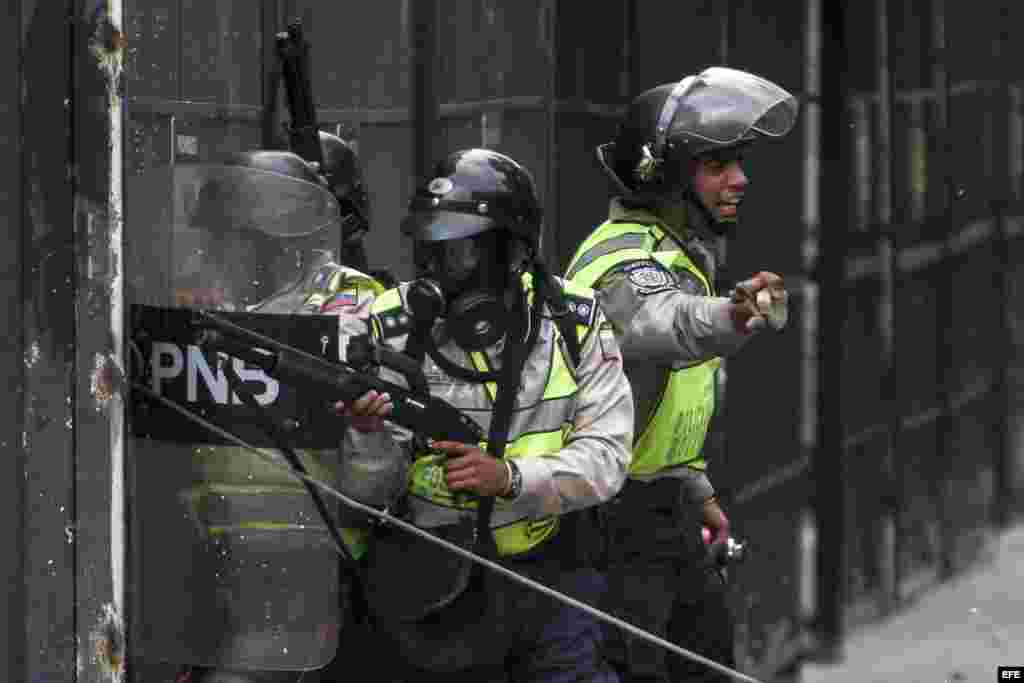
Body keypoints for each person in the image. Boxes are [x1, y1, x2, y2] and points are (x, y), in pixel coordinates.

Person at [336, 148, 634, 682]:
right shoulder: (385, 327)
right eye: (429, 251)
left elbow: (609, 458)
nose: (437, 270)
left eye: (459, 253)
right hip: (432, 591)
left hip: (552, 578)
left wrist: (511, 478)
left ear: (513, 251)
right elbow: (364, 499)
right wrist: (367, 434)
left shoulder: (576, 321)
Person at [563, 66, 798, 683]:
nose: (740, 179)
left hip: (663, 515)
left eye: (740, 162)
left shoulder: (674, 253)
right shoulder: (621, 256)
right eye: (718, 165)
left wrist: (694, 488)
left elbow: (659, 398)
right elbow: (662, 325)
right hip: (614, 529)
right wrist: (736, 312)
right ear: (663, 174)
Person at [130, 141, 390, 683]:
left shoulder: (349, 307)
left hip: (310, 560)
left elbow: (375, 488)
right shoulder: (198, 302)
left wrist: (368, 430)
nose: (217, 251)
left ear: (278, 242)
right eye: (219, 236)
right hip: (195, 558)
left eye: (235, 239)